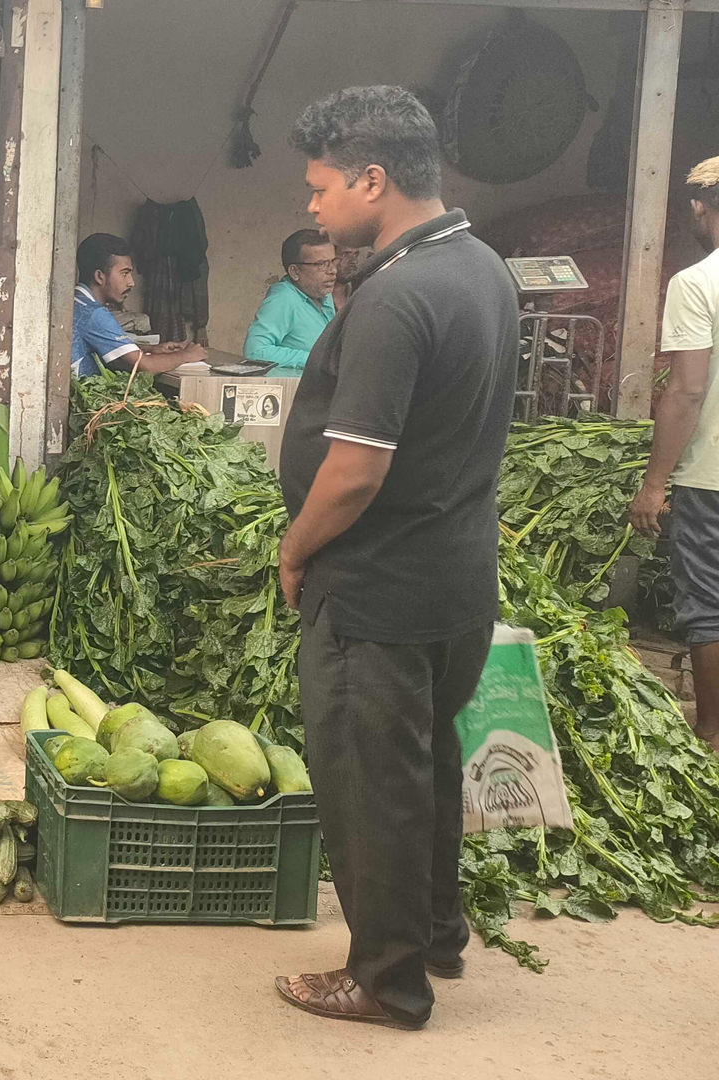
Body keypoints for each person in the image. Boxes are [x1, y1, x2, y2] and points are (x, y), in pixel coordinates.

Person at [273, 86, 519, 1031]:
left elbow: (355, 473)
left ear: (373, 179)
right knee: (423, 765)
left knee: (371, 783)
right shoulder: (481, 267)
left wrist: (295, 549)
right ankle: (436, 935)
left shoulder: (397, 295)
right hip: (454, 578)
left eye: (321, 186)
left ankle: (386, 979)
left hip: (377, 589)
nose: (312, 205)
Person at [629, 156, 719, 749]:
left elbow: (686, 390)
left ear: (699, 208)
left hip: (711, 476)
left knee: (709, 602)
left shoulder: (697, 282)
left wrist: (655, 481)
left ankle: (712, 732)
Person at [70, 232, 206, 376]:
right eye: (124, 273)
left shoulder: (75, 302)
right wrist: (187, 354)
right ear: (99, 276)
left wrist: (148, 349)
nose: (131, 282)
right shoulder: (95, 313)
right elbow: (144, 366)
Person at [244, 229, 338, 370]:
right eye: (321, 264)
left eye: (333, 262)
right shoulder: (282, 299)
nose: (332, 270)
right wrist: (315, 360)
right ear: (294, 272)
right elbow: (255, 351)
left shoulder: (322, 294)